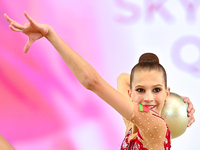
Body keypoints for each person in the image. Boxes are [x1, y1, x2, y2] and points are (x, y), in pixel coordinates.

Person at [4, 12, 195, 150]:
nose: (148, 97)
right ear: (130, 94)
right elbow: (122, 79)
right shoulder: (133, 122)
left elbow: (92, 82)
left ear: (167, 91)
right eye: (140, 90)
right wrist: (162, 100)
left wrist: (51, 35)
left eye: (156, 90)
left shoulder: (154, 125)